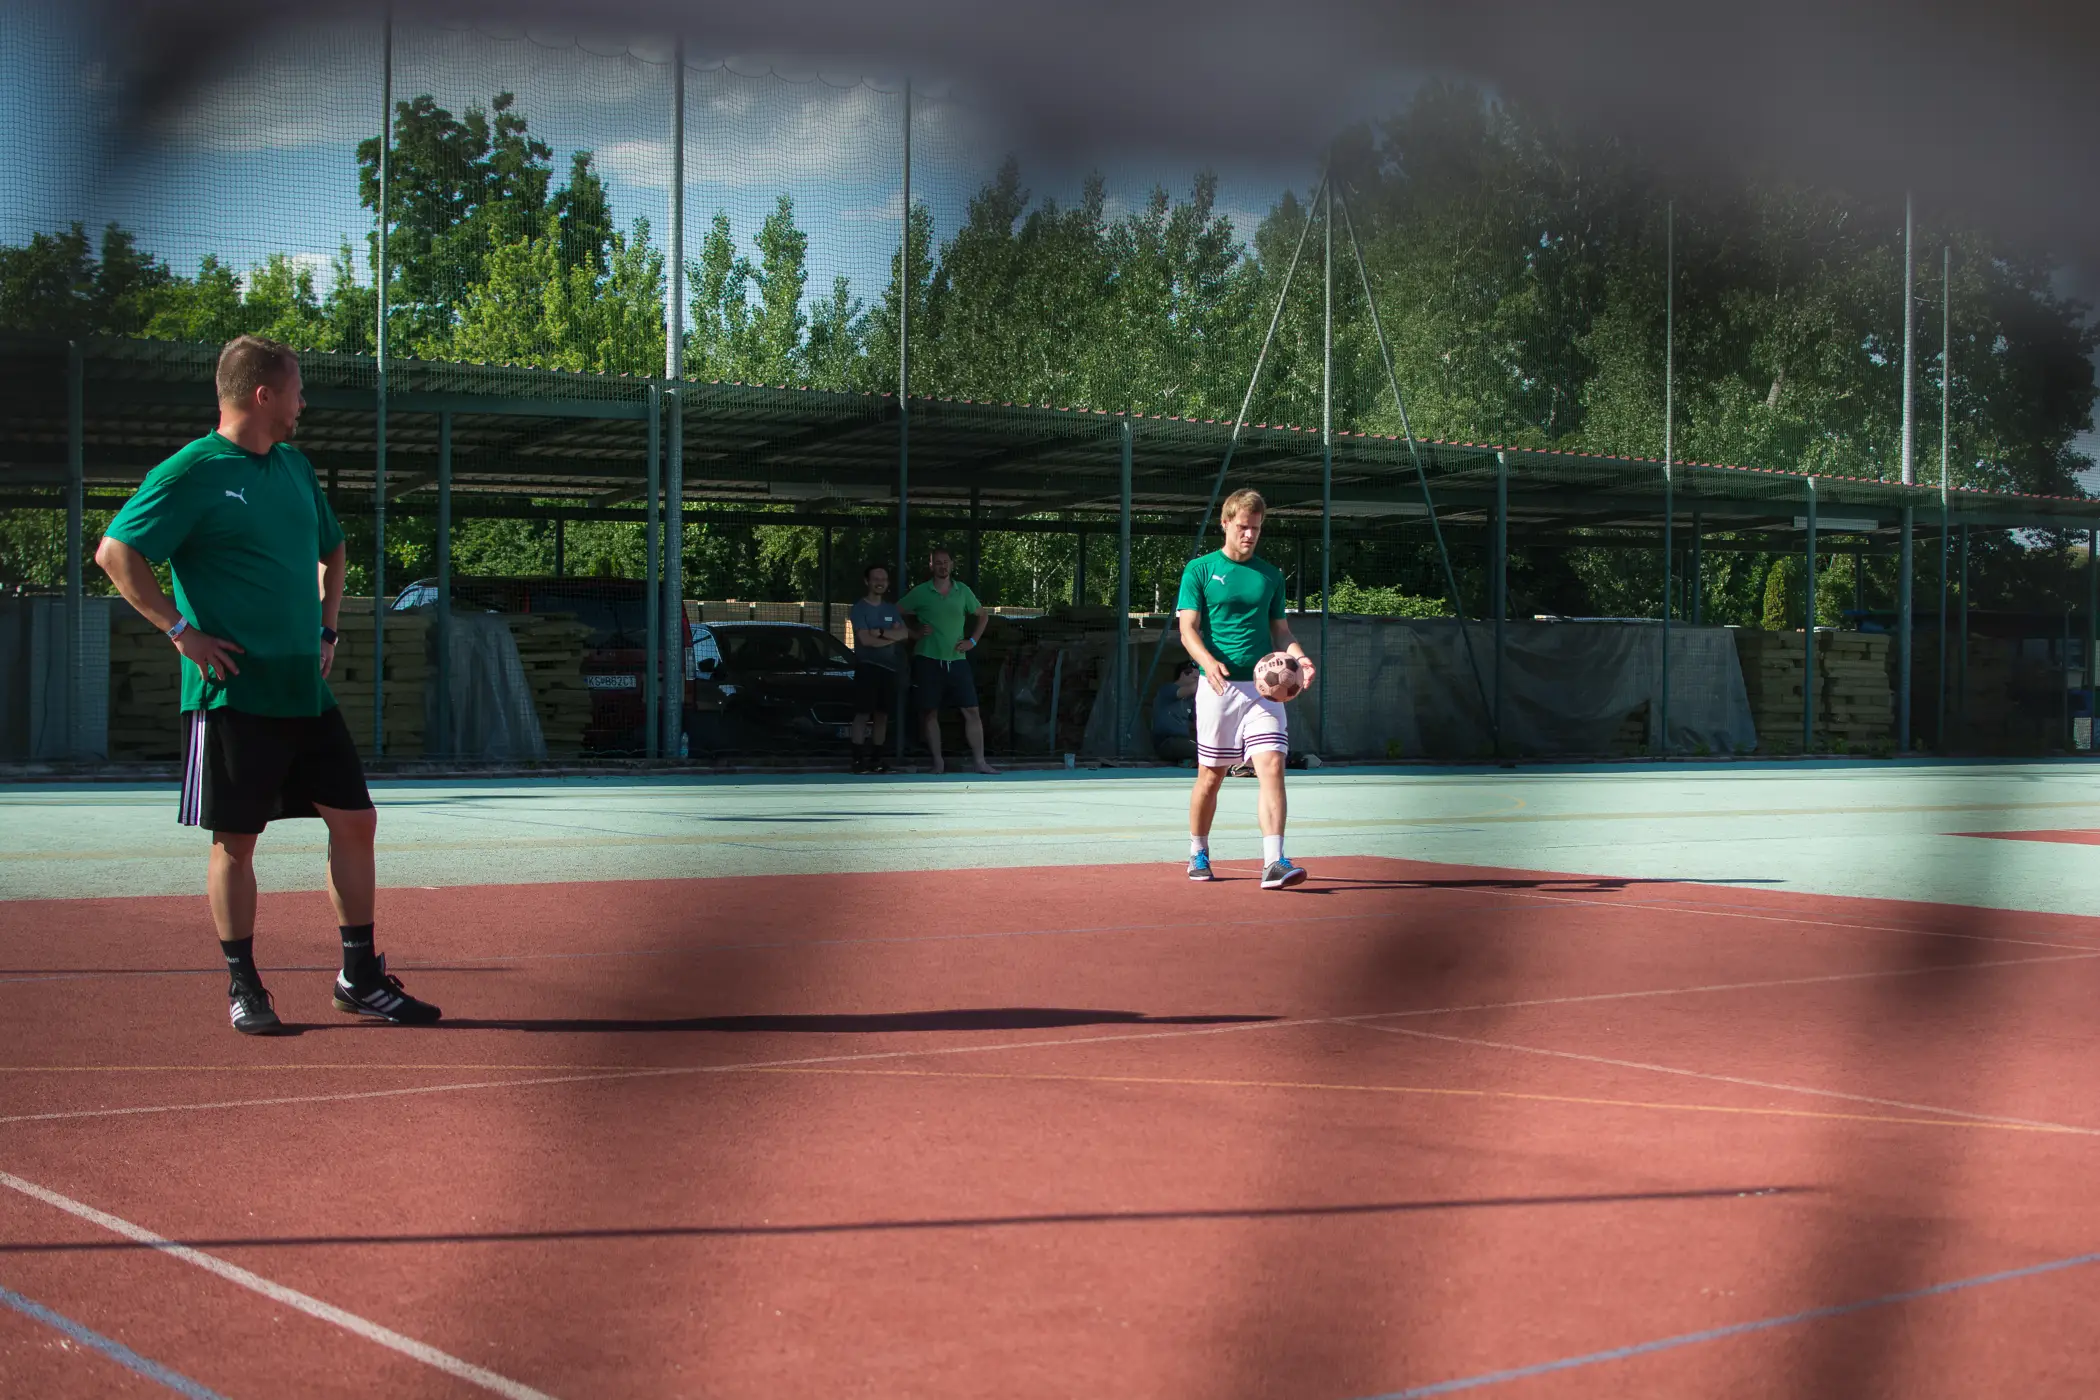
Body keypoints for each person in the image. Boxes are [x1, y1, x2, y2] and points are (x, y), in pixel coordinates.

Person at [94, 334, 441, 1035]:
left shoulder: (294, 468)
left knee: (356, 821)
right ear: (263, 394)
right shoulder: (192, 470)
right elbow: (115, 552)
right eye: (297, 389)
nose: (303, 402)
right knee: (236, 840)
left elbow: (332, 546)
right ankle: (244, 985)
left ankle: (359, 978)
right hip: (232, 694)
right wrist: (180, 632)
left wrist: (327, 628)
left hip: (303, 692)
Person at [1177, 488, 1316, 889]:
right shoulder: (1200, 570)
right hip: (1218, 689)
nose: (1249, 535)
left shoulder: (1270, 575)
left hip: (1263, 691)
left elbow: (1281, 631)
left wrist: (1300, 659)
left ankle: (1274, 862)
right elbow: (1187, 629)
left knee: (1272, 764)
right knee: (1211, 776)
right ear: (1225, 523)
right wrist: (1207, 663)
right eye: (1242, 527)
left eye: (1256, 528)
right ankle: (1198, 850)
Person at [897, 546, 997, 775]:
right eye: (938, 562)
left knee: (971, 710)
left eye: (946, 562)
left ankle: (980, 762)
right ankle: (938, 762)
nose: (942, 566)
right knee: (929, 712)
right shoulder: (921, 592)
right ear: (931, 565)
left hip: (958, 660)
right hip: (927, 659)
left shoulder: (963, 591)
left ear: (951, 564)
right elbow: (894, 612)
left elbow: (983, 615)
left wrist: (972, 641)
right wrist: (912, 633)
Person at [847, 563, 906, 773]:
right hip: (867, 668)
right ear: (867, 581)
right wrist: (891, 636)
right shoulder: (859, 609)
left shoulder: (891, 609)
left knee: (882, 715)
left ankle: (876, 759)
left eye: (883, 579)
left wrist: (880, 633)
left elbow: (904, 634)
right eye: (876, 579)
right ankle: (857, 760)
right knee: (863, 714)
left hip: (889, 670)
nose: (880, 583)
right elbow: (865, 640)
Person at [1151, 659, 1201, 763]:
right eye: (1195, 678)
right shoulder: (1168, 689)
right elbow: (1191, 689)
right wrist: (1208, 680)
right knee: (1201, 752)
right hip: (1167, 742)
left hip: (1184, 741)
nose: (1197, 682)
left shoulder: (1189, 700)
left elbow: (1196, 722)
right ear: (1183, 674)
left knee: (1208, 749)